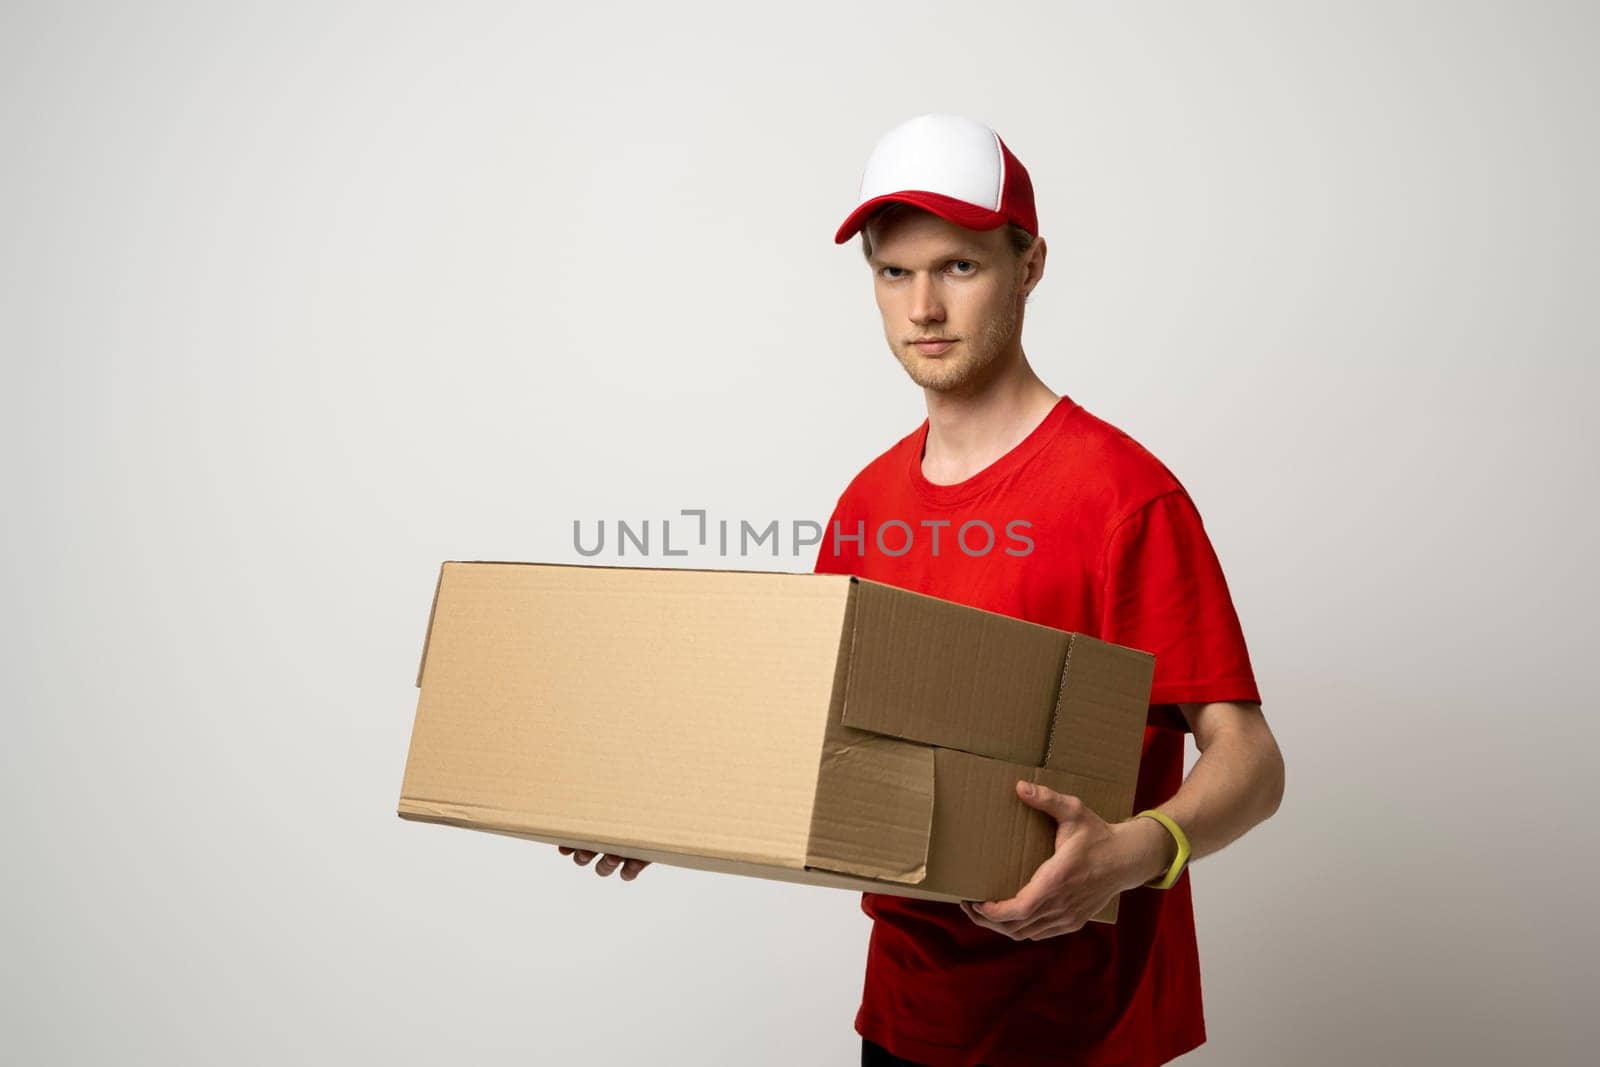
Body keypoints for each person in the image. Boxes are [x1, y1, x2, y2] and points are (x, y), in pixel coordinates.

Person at [559, 113, 1287, 1067]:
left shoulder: (1122, 497)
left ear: (1029, 265)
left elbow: (1252, 759)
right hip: (904, 1023)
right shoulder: (868, 502)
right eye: (893, 273)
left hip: (1082, 1033)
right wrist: (657, 804)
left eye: (959, 266)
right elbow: (809, 733)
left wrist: (1137, 849)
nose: (923, 309)